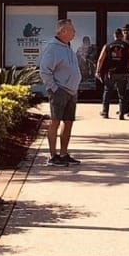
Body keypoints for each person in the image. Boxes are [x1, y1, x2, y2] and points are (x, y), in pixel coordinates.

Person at [38, 18, 83, 166]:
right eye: (72, 30)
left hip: (71, 91)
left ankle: (63, 154)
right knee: (55, 122)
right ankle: (53, 156)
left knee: (68, 122)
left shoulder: (68, 46)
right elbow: (45, 71)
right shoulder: (53, 49)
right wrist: (54, 89)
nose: (75, 32)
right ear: (63, 31)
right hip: (60, 91)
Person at [95, 28, 129, 119]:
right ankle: (121, 113)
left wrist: (98, 71)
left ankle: (105, 112)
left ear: (114, 35)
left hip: (110, 73)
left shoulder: (107, 46)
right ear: (121, 36)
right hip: (123, 72)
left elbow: (100, 59)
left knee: (107, 92)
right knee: (122, 93)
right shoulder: (127, 46)